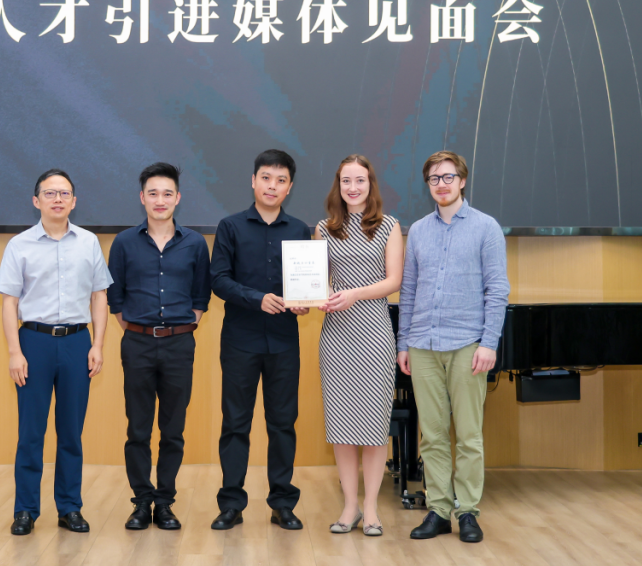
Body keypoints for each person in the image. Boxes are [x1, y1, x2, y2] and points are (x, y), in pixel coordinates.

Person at [0, 169, 112, 537]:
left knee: (71, 432)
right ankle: (25, 510)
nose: (57, 199)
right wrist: (15, 352)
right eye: (50, 193)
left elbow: (99, 297)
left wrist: (97, 345)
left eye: (64, 193)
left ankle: (70, 508)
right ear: (36, 200)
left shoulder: (88, 242)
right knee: (31, 432)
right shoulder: (19, 245)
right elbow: (9, 302)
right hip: (34, 342)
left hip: (77, 342)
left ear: (74, 201)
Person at [398, 151, 509, 544]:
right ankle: (439, 511)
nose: (441, 184)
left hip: (467, 345)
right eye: (434, 178)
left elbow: (497, 290)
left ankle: (468, 512)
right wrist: (403, 343)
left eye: (448, 177)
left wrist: (489, 343)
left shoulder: (486, 227)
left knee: (468, 435)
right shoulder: (418, 231)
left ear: (462, 180)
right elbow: (408, 291)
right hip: (423, 345)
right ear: (428, 185)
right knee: (431, 436)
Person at [209, 149, 311, 531]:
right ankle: (231, 504)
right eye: (266, 178)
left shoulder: (300, 230)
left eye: (281, 180)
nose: (272, 186)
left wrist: (303, 303)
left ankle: (282, 503)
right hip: (240, 340)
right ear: (253, 181)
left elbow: (304, 285)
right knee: (236, 423)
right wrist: (257, 298)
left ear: (289, 187)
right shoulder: (230, 227)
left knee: (283, 424)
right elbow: (219, 280)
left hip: (284, 342)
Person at [107, 162, 210, 532]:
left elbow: (201, 297)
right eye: (153, 193)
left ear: (178, 198)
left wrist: (179, 328)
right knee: (137, 428)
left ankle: (164, 503)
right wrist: (140, 330)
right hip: (136, 343)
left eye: (167, 193)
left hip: (180, 345)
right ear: (142, 198)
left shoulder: (195, 243)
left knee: (172, 429)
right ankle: (141, 502)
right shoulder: (124, 243)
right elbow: (116, 300)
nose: (160, 200)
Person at [313, 155, 403, 536]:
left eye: (360, 181)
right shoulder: (324, 228)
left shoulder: (389, 226)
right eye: (346, 181)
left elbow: (393, 281)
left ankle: (371, 509)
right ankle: (349, 506)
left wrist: (354, 294)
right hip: (337, 336)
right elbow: (318, 280)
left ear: (370, 184)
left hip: (375, 334)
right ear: (338, 184)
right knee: (342, 424)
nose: (353, 187)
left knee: (374, 425)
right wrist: (320, 295)